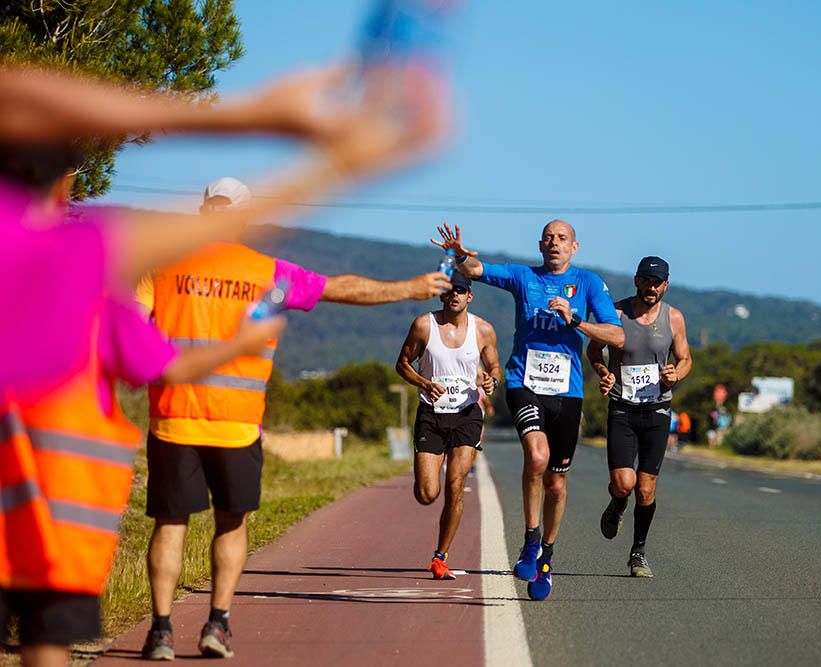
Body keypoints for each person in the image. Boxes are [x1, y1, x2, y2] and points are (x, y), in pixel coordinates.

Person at [135, 177, 451, 660]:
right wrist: (408, 289)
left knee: (170, 524)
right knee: (231, 524)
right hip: (237, 425)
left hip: (173, 419)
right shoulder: (266, 272)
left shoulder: (163, 268)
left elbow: (128, 328)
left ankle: (160, 631)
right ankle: (217, 624)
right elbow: (339, 288)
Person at [0, 61, 447, 400]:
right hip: (91, 488)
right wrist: (335, 162)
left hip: (196, 424)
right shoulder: (65, 261)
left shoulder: (64, 250)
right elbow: (155, 361)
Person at [0, 146, 284, 667]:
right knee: (218, 524)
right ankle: (198, 623)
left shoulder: (163, 265)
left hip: (191, 422)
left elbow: (135, 325)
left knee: (181, 523)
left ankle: (172, 629)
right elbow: (146, 351)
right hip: (195, 426)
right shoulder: (87, 263)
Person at [434, 221, 624, 601]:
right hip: (525, 383)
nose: (555, 243)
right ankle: (530, 538)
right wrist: (458, 253)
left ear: (575, 246)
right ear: (540, 245)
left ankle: (547, 557)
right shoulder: (524, 276)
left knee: (557, 482)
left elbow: (616, 335)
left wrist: (576, 320)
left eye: (562, 239)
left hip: (567, 393)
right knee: (537, 457)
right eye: (549, 238)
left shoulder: (588, 283)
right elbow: (476, 270)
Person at [587, 256, 692, 578]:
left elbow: (686, 358)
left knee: (646, 489)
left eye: (657, 282)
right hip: (622, 407)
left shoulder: (674, 318)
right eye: (646, 280)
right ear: (636, 280)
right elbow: (593, 351)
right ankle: (618, 503)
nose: (651, 287)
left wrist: (677, 374)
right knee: (624, 483)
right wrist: (603, 371)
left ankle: (638, 552)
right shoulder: (615, 314)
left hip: (658, 410)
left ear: (666, 285)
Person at [394, 273, 501, 580]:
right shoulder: (423, 325)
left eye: (461, 291)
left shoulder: (483, 330)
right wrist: (424, 382)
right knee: (427, 493)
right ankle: (430, 495)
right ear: (442, 296)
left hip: (466, 413)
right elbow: (402, 363)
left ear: (470, 297)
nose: (455, 295)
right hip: (431, 414)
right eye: (450, 291)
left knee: (456, 487)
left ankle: (440, 557)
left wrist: (491, 380)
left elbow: (494, 366)